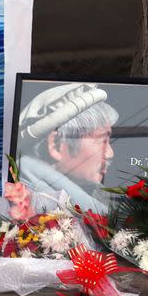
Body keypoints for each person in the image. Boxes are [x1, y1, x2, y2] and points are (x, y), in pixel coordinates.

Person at [16, 83, 118, 213]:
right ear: (57, 145)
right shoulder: (29, 210)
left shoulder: (100, 200)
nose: (110, 153)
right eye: (101, 140)